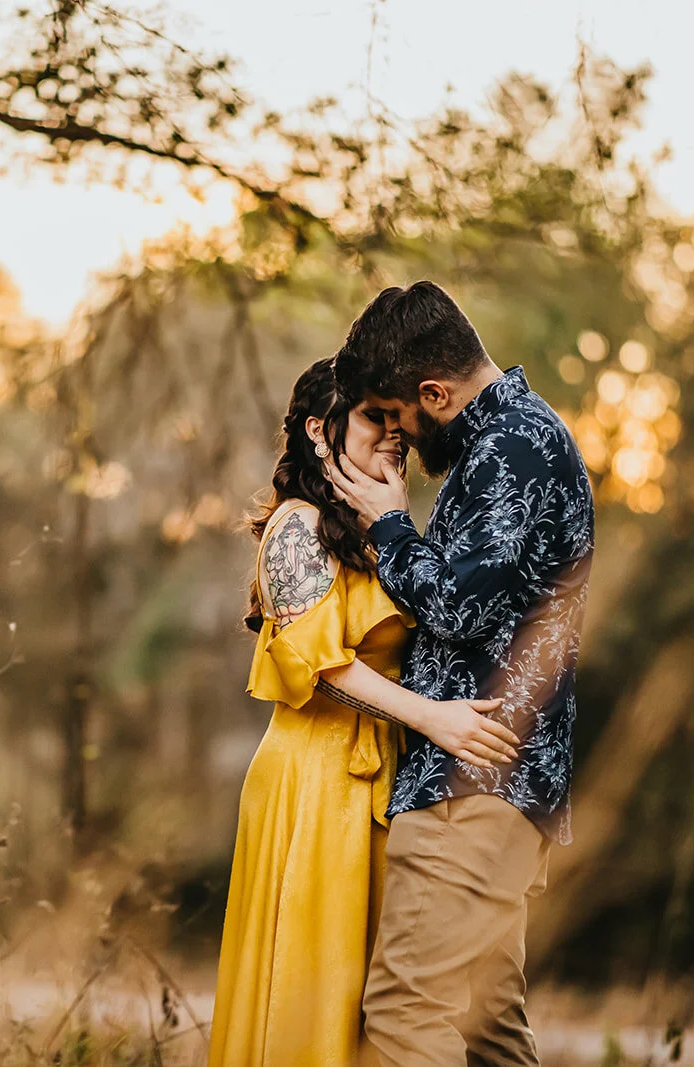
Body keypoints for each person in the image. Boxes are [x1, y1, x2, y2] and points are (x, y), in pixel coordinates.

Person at [207, 356, 523, 1067]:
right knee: (312, 985)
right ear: (320, 429)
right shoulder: (297, 526)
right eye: (374, 417)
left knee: (381, 999)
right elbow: (320, 666)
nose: (394, 431)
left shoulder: (379, 525)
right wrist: (434, 718)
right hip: (313, 779)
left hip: (385, 773)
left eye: (396, 416)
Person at [326, 281, 595, 1067]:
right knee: (490, 1035)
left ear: (434, 392)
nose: (395, 439)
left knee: (407, 1015)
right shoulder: (513, 440)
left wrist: (387, 525)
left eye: (393, 413)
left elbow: (458, 607)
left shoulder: (512, 447)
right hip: (494, 790)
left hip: (469, 792)